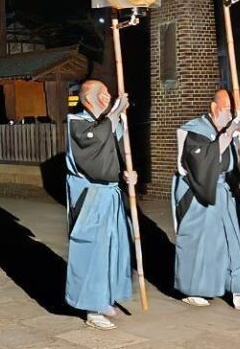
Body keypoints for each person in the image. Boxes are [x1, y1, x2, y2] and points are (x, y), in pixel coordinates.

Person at [173, 89, 240, 311]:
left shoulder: (233, 133)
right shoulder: (194, 132)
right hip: (199, 195)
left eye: (233, 110)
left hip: (224, 193)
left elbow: (230, 167)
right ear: (213, 108)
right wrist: (228, 135)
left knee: (234, 239)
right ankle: (196, 289)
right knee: (203, 244)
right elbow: (201, 165)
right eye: (227, 109)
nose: (230, 114)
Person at [65, 79, 137, 330]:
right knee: (92, 250)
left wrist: (127, 173)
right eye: (104, 94)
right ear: (88, 100)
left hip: (111, 194)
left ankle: (105, 298)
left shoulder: (110, 124)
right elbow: (93, 151)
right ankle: (91, 307)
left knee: (112, 249)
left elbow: (114, 155)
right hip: (91, 196)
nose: (109, 97)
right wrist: (116, 113)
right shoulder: (77, 124)